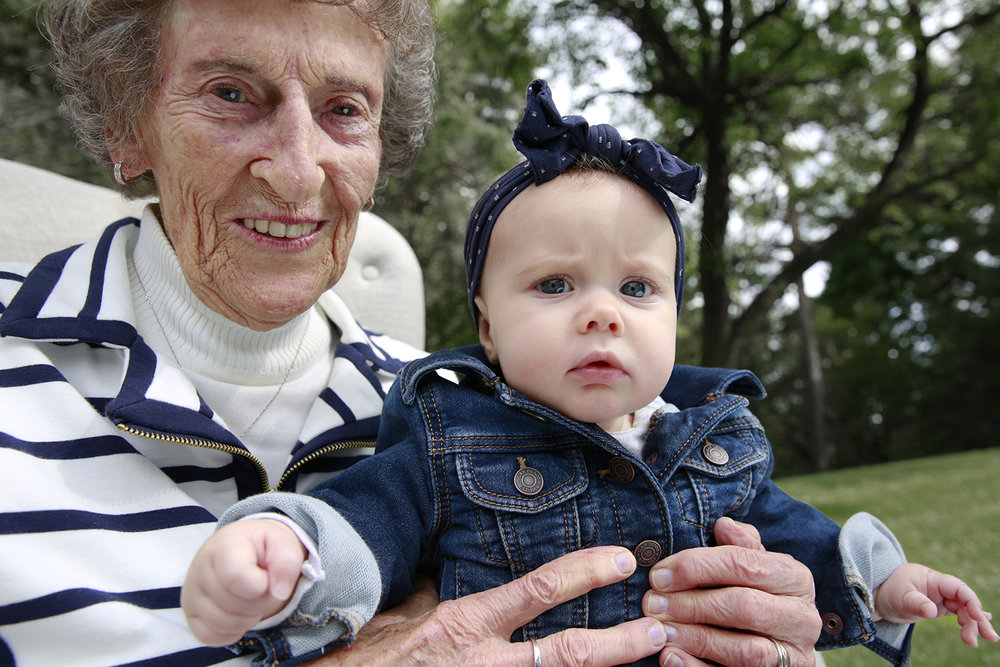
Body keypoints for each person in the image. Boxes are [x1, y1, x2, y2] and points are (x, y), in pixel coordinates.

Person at [0, 3, 831, 666]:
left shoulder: (469, 403)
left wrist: (764, 622)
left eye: (344, 109)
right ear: (126, 122)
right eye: (230, 92)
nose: (296, 170)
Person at [181, 79, 999, 666]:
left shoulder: (719, 442)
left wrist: (887, 581)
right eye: (555, 284)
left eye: (638, 288)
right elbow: (370, 522)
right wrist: (289, 546)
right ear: (488, 327)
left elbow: (798, 543)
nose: (603, 312)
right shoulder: (451, 437)